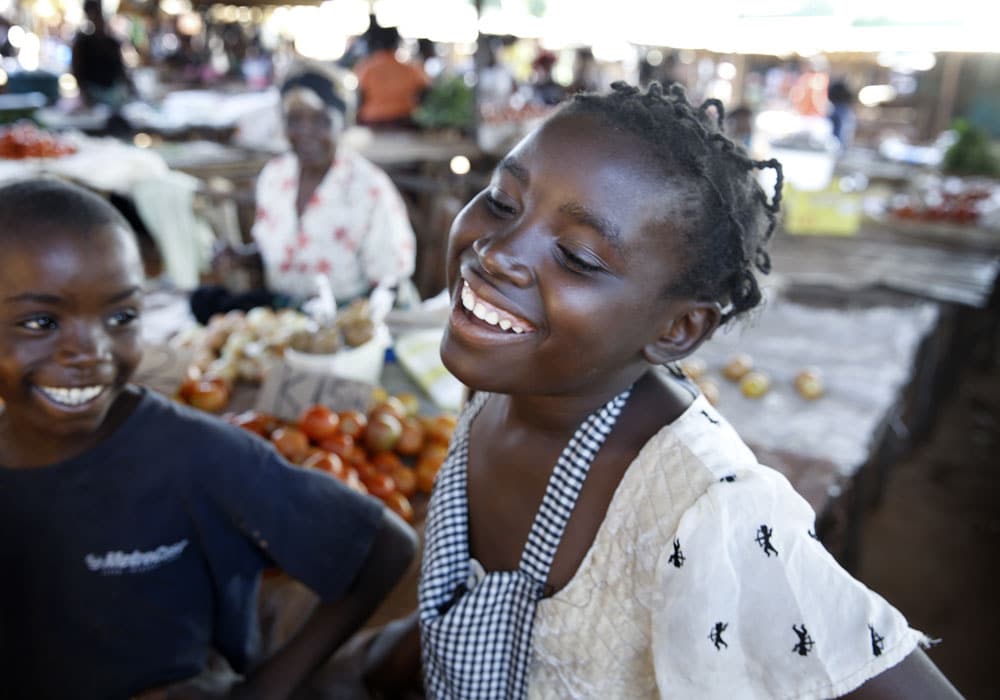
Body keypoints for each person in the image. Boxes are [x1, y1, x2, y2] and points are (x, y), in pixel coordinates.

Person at [369, 82, 963, 699]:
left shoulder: (705, 512)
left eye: (575, 256)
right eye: (502, 200)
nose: (497, 253)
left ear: (677, 329)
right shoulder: (500, 385)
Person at [0, 178, 417, 698]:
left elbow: (384, 546)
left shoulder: (192, 453)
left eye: (121, 316)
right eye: (41, 322)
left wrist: (268, 688)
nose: (90, 351)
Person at [197, 67, 417, 322]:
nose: (305, 132)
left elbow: (390, 280)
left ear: (342, 124)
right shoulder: (275, 176)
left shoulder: (369, 187)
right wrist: (239, 257)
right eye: (294, 119)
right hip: (283, 317)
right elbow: (275, 250)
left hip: (346, 320)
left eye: (320, 120)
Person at [353, 25, 429, 129]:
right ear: (397, 43)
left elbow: (360, 95)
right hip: (403, 121)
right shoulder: (410, 69)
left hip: (372, 122)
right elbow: (424, 91)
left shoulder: (366, 68)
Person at [71, 0, 134, 108]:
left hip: (112, 93)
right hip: (93, 94)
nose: (95, 15)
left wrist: (131, 88)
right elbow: (77, 70)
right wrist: (84, 94)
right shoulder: (82, 42)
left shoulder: (111, 42)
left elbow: (121, 69)